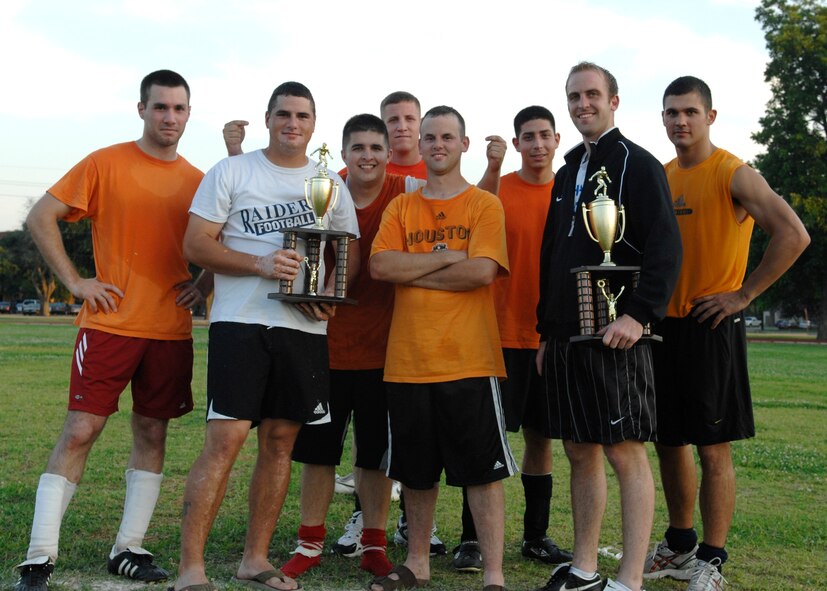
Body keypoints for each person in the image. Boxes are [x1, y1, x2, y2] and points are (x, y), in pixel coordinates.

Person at [14, 69, 207, 591]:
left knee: (152, 431)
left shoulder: (197, 179)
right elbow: (42, 217)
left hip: (168, 330)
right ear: (141, 109)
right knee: (81, 429)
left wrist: (203, 283)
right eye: (161, 107)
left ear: (189, 114)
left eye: (179, 108)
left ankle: (129, 548)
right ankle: (39, 555)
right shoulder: (105, 162)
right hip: (109, 324)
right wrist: (76, 281)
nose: (170, 117)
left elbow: (223, 234)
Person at [169, 81, 359, 591]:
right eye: (283, 114)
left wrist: (332, 295)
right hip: (241, 323)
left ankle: (255, 559)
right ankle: (192, 568)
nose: (292, 123)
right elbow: (196, 243)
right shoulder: (232, 171)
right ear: (269, 118)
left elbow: (347, 249)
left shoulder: (328, 184)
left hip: (302, 328)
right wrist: (258, 263)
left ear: (313, 124)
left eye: (301, 115)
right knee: (225, 441)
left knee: (280, 443)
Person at [643, 76, 810, 591]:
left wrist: (744, 295)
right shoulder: (662, 176)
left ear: (710, 117)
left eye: (690, 112)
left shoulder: (733, 172)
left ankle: (712, 561)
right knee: (669, 442)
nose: (680, 121)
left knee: (713, 448)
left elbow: (793, 234)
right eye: (671, 113)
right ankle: (679, 544)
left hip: (711, 325)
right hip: (664, 327)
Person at [532, 62, 682, 591]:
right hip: (568, 333)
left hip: (619, 331)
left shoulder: (638, 165)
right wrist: (546, 331)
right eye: (574, 96)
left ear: (614, 101)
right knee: (578, 448)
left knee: (624, 449)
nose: (582, 105)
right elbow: (555, 254)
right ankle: (585, 567)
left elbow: (666, 247)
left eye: (592, 94)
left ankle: (630, 579)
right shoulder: (570, 167)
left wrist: (639, 314)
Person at [369, 105, 517, 591]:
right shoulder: (401, 207)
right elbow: (380, 268)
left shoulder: (483, 205)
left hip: (469, 359)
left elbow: (482, 272)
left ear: (464, 144)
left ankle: (493, 574)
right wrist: (450, 256)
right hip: (408, 361)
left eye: (446, 137)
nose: (436, 144)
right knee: (415, 473)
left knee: (481, 473)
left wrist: (419, 265)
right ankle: (417, 563)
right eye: (429, 136)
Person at [275, 114, 418, 580]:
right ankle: (309, 541)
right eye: (358, 148)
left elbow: (452, 192)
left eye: (376, 147)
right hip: (324, 343)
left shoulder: (406, 191)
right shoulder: (321, 190)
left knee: (374, 456)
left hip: (384, 349)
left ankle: (374, 542)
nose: (368, 156)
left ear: (388, 152)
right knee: (318, 452)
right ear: (343, 154)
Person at [453, 106, 573, 574]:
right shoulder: (500, 188)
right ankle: (471, 539)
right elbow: (468, 219)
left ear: (557, 139)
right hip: (498, 332)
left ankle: (536, 536)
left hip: (548, 335)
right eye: (529, 136)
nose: (538, 144)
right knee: (486, 439)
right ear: (517, 142)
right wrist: (495, 167)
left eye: (545, 135)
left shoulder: (572, 190)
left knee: (541, 440)